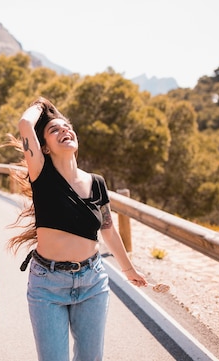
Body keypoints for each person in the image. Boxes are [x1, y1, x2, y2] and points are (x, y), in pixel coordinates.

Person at [9, 97, 146, 361]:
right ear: (44, 147)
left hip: (93, 280)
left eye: (67, 127)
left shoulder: (97, 183)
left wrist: (129, 270)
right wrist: (42, 105)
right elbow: (25, 123)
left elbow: (108, 230)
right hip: (48, 285)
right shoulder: (41, 174)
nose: (64, 131)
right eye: (54, 130)